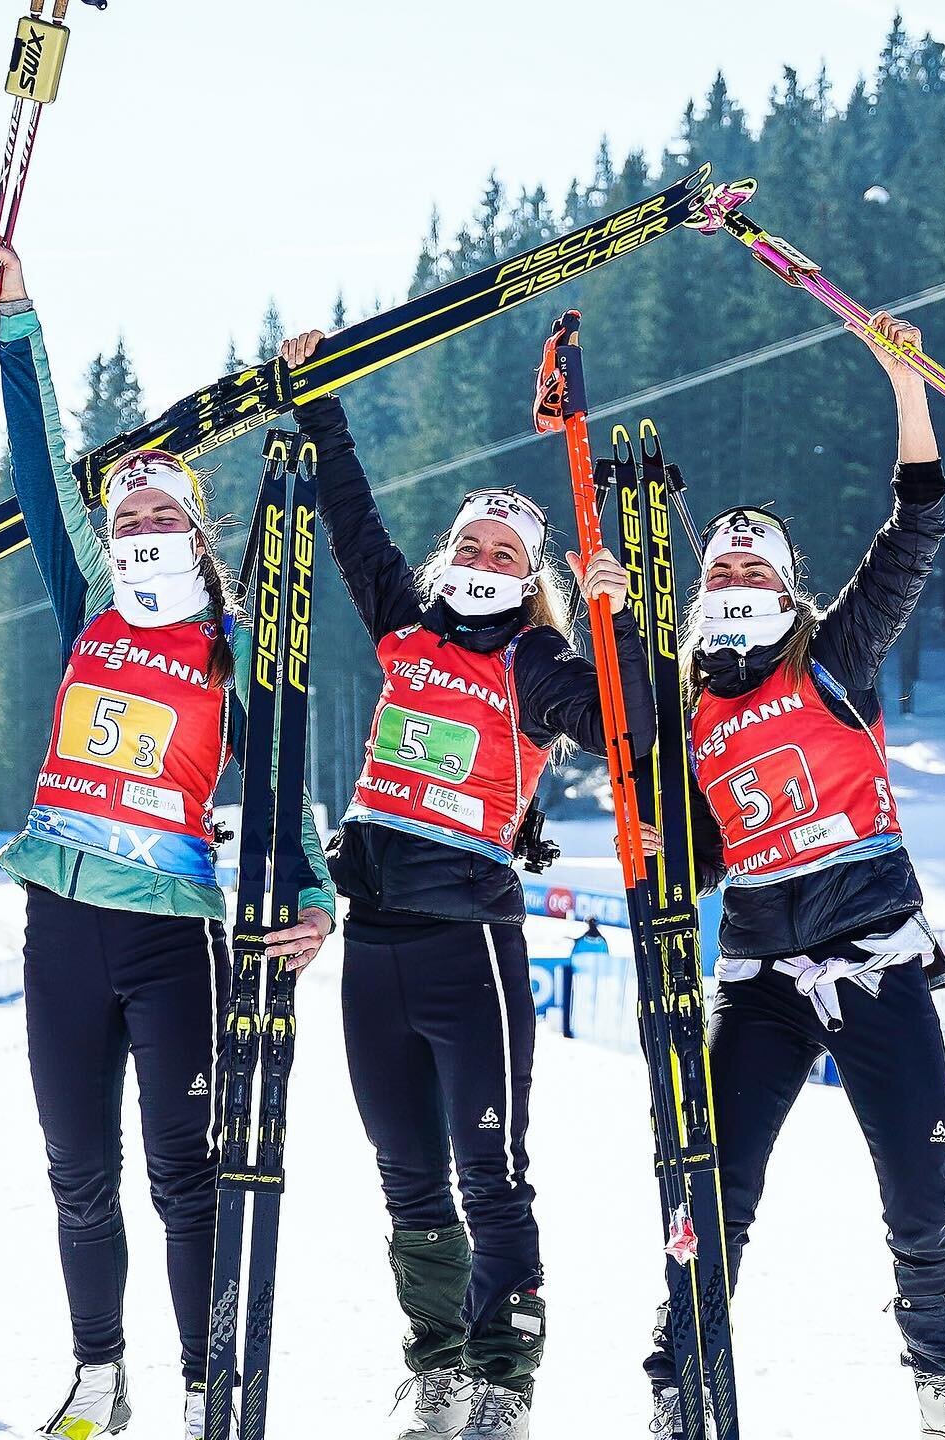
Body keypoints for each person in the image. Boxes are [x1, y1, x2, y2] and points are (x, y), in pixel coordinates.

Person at [0, 233, 336, 1440]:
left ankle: (200, 1384)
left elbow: (282, 785)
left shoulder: (233, 649)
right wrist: (19, 317)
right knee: (79, 1175)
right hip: (61, 926)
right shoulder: (89, 603)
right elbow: (37, 468)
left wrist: (314, 887)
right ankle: (95, 1375)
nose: (131, 515)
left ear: (192, 527)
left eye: (152, 503)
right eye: (119, 502)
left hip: (174, 937)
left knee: (186, 1179)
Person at [280, 328, 651, 1440]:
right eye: (472, 544)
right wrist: (321, 405)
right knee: (405, 1177)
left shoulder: (534, 664)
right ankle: (436, 1364)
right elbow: (352, 526)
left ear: (525, 575)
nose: (485, 560)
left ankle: (503, 1381)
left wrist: (612, 618)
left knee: (489, 1171)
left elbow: (621, 725)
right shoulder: (405, 630)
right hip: (374, 941)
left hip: (468, 943)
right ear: (449, 558)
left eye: (506, 552)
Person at [638, 314, 945, 1439]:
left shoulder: (835, 656)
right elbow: (697, 847)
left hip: (874, 961)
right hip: (764, 979)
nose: (732, 572)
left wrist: (903, 381)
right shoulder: (693, 706)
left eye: (753, 564)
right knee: (710, 1191)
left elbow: (915, 522)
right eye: (720, 563)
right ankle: (680, 1380)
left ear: (787, 588)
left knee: (921, 1202)